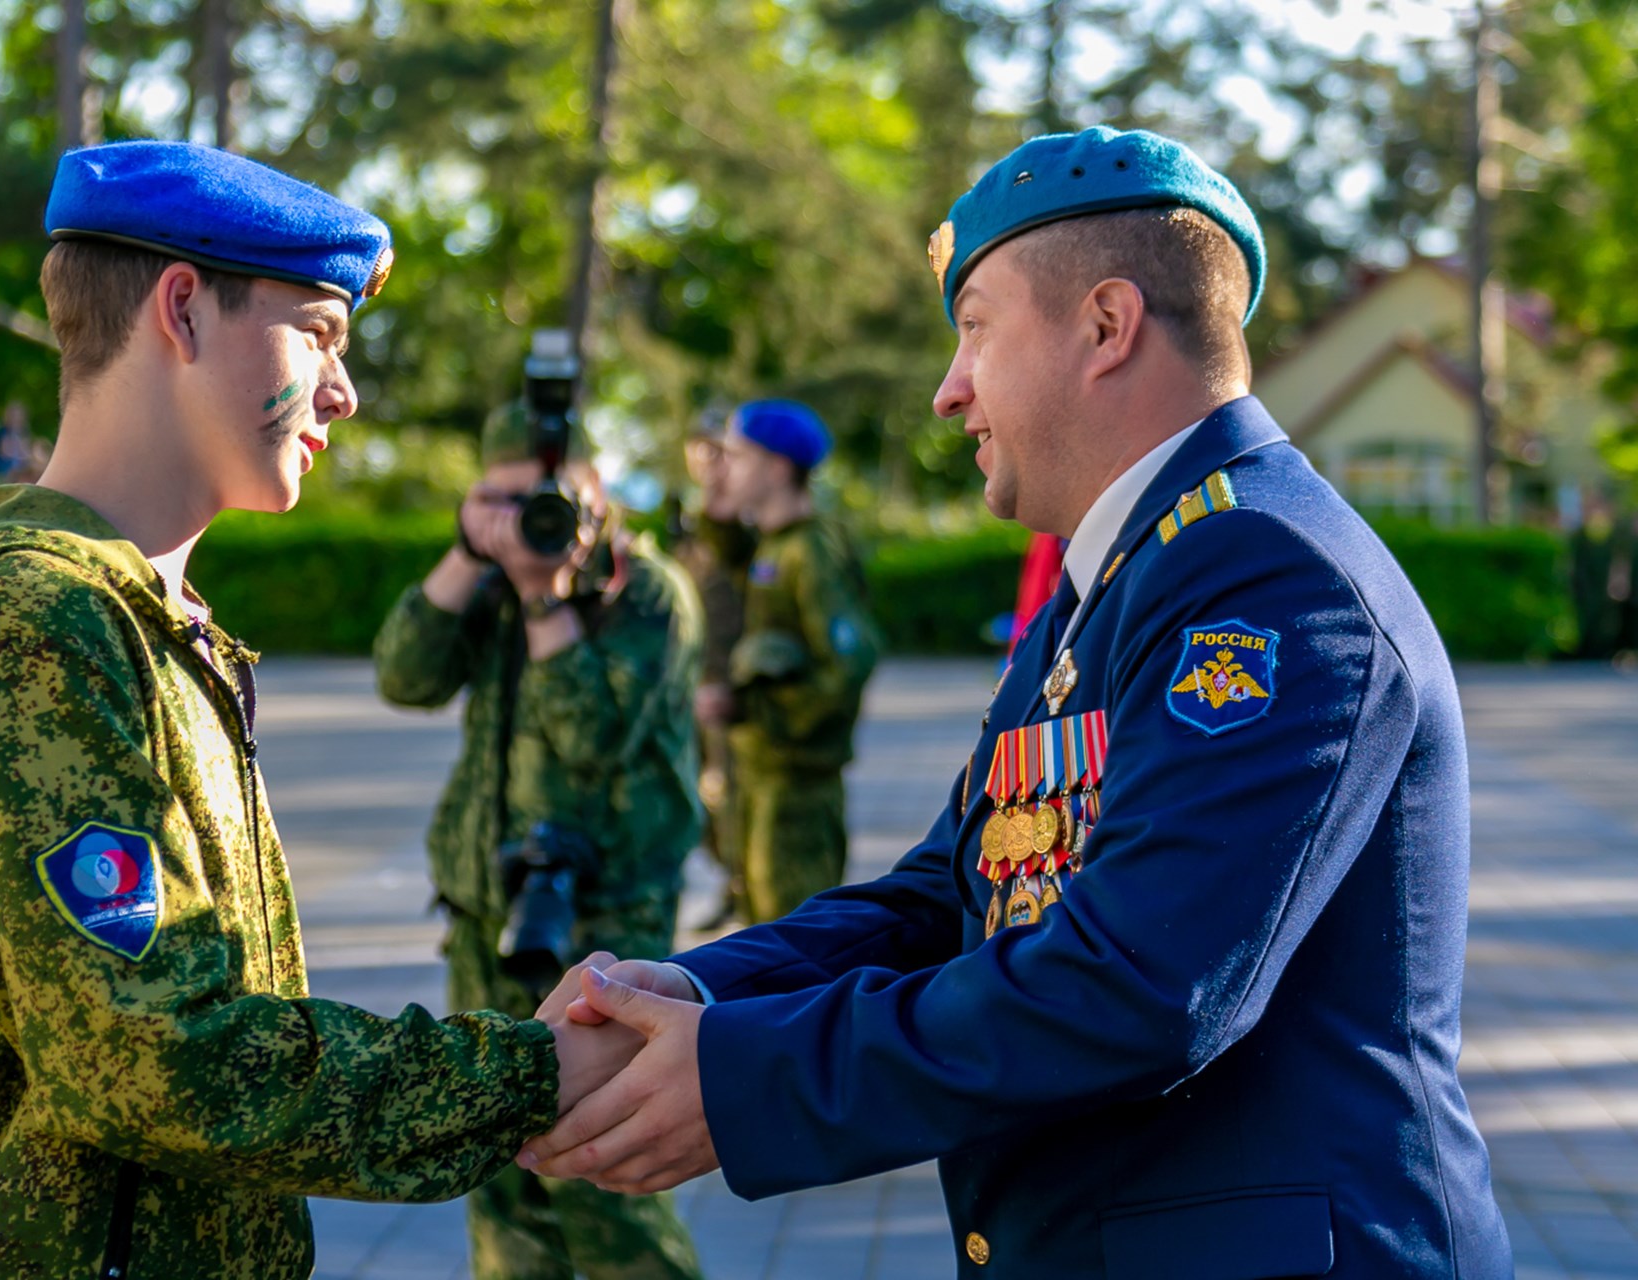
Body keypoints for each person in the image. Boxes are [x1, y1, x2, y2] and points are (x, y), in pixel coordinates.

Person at [519, 126, 1515, 1279]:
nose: (948, 393)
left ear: (1106, 324)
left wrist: (741, 1076)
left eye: (976, 330)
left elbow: (1139, 982)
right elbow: (956, 890)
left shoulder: (1268, 573)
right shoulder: (1128, 573)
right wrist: (703, 987)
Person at [0, 140, 639, 1280]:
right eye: (321, 334)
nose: (344, 389)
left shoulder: (127, 613)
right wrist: (531, 1074)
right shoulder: (44, 622)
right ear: (181, 309)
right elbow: (154, 1052)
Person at [373, 401, 706, 1280]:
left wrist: (541, 596)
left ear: (594, 491)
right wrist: (466, 550)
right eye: (501, 500)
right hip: (487, 911)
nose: (528, 523)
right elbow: (403, 677)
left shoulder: (647, 591)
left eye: (544, 500)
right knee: (501, 1179)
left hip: (606, 930)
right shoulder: (483, 579)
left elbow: (595, 732)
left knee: (602, 1177)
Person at [711, 399, 878, 923]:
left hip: (798, 784)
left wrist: (754, 711)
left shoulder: (811, 551)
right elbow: (726, 556)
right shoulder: (774, 543)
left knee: (792, 939)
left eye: (737, 456)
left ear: (778, 468)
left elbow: (848, 662)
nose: (724, 468)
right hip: (766, 772)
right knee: (758, 930)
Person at [668, 411, 756, 927]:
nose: (708, 463)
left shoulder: (740, 522)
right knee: (702, 798)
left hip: (728, 686)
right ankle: (733, 880)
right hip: (692, 682)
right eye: (700, 452)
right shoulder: (694, 520)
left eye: (718, 452)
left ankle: (741, 888)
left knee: (728, 792)